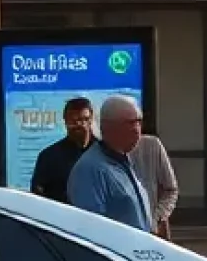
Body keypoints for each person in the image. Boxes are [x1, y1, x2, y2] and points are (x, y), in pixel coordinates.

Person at [67, 95, 151, 231]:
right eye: (132, 123)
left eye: (139, 122)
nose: (138, 130)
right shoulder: (90, 169)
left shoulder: (122, 160)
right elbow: (92, 230)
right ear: (110, 127)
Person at [29, 97, 94, 203]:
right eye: (73, 121)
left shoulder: (103, 153)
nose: (79, 125)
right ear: (65, 121)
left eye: (84, 119)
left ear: (91, 119)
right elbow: (37, 197)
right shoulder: (48, 157)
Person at [129, 132, 179, 240]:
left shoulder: (151, 145)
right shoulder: (100, 155)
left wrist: (156, 218)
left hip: (151, 233)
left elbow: (170, 190)